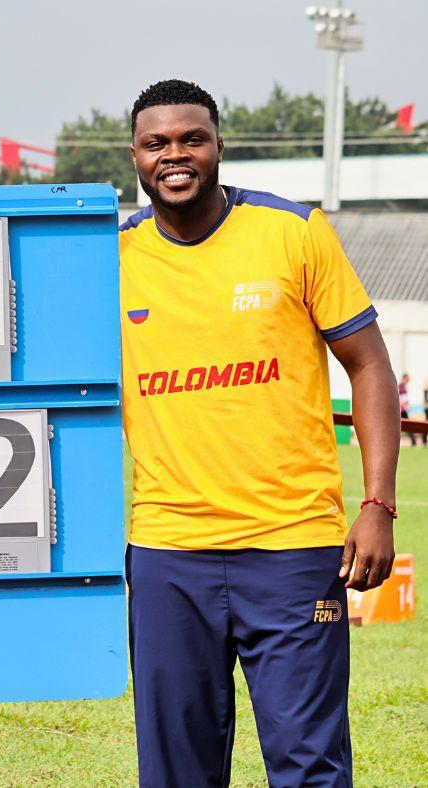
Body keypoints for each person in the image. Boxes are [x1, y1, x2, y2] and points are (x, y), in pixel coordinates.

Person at [119, 80, 399, 787]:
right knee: (176, 773)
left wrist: (378, 505)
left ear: (219, 147)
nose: (174, 155)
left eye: (192, 139)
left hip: (293, 549)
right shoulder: (111, 255)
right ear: (135, 156)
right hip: (167, 551)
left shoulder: (292, 231)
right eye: (157, 143)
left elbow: (368, 364)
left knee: (310, 767)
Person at [398, 373, 418, 446]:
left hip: (402, 409)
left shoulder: (403, 387)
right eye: (407, 379)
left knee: (405, 426)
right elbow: (402, 399)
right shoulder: (401, 387)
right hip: (401, 410)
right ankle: (414, 441)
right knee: (407, 426)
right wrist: (406, 405)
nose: (408, 381)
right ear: (404, 378)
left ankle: (413, 441)